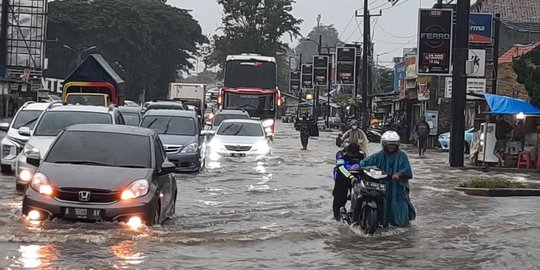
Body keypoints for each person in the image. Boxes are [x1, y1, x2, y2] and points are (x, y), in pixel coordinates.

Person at [359, 131, 416, 227]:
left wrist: (398, 174)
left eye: (393, 145)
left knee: (400, 207)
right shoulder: (379, 155)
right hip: (383, 186)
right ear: (384, 144)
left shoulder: (402, 156)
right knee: (382, 204)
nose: (391, 147)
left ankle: (401, 226)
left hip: (397, 187)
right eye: (389, 145)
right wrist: (358, 166)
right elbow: (365, 162)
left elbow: (407, 169)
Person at [333, 143, 364, 221]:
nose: (352, 156)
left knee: (360, 196)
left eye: (354, 154)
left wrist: (360, 167)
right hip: (342, 177)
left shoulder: (362, 155)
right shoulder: (340, 155)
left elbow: (365, 164)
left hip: (357, 177)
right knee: (339, 199)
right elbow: (341, 168)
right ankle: (337, 218)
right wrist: (351, 177)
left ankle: (357, 216)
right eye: (350, 154)